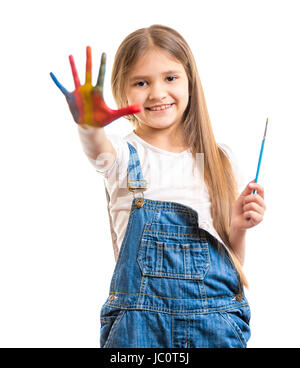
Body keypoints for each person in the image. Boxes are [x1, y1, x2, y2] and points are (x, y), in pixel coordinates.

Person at [50, 24, 266, 348]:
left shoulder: (219, 160)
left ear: (190, 80)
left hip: (216, 324)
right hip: (140, 330)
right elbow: (98, 150)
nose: (157, 93)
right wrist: (88, 127)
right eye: (141, 82)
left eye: (170, 78)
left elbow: (229, 268)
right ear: (122, 90)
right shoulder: (123, 157)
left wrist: (239, 227)